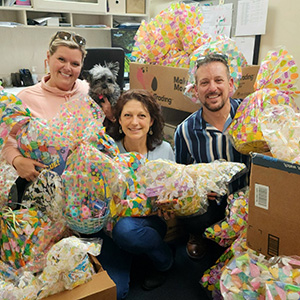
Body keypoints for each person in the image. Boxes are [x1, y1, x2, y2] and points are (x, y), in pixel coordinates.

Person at [98, 89, 175, 300]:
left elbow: (173, 189)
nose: (135, 122)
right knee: (117, 292)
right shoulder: (108, 151)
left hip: (149, 222)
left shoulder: (164, 150)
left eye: (142, 115)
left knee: (127, 231)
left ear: (151, 121)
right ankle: (134, 255)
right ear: (118, 120)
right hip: (112, 226)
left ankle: (164, 261)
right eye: (127, 115)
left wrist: (171, 204)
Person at [174, 53, 249, 260]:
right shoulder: (185, 131)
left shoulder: (249, 116)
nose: (212, 88)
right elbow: (181, 177)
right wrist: (196, 191)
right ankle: (197, 236)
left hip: (248, 199)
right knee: (190, 216)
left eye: (218, 80)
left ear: (230, 83)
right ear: (195, 90)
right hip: (213, 203)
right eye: (204, 82)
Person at [1, 30, 89, 185]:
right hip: (43, 186)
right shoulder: (25, 98)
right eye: (61, 59)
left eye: (75, 63)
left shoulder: (87, 91)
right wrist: (17, 160)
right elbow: (7, 141)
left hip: (84, 182)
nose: (67, 68)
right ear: (48, 58)